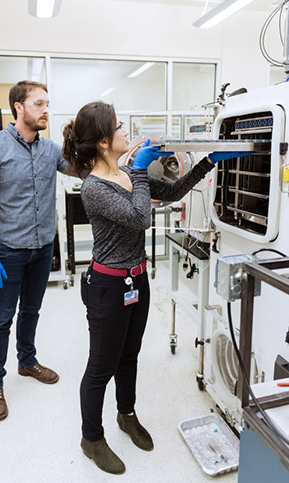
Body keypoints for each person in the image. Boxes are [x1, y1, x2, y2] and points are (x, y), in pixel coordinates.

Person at [62, 100, 248, 475]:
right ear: (102, 142)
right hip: (108, 287)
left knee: (129, 355)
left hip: (137, 280)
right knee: (101, 366)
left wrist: (209, 161)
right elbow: (141, 218)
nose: (125, 131)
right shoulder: (95, 189)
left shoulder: (128, 174)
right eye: (118, 127)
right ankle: (91, 438)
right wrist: (142, 170)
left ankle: (126, 415)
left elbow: (176, 191)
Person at [0, 80, 67, 421]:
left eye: (46, 103)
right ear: (18, 107)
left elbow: (88, 171)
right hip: (8, 251)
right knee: (1, 318)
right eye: (38, 103)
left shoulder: (52, 150)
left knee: (32, 311)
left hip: (42, 249)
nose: (45, 110)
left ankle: (27, 361)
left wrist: (122, 159)